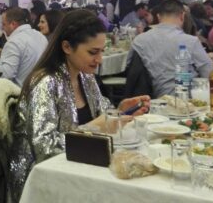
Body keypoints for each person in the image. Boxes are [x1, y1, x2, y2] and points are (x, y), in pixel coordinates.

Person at [8, 10, 150, 201]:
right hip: (43, 181)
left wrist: (121, 110)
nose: (99, 60)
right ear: (67, 47)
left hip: (79, 168)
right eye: (93, 52)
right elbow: (44, 149)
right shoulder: (45, 83)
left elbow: (102, 113)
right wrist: (94, 127)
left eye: (101, 51)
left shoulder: (85, 76)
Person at [127, 0, 213, 98]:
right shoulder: (191, 41)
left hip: (153, 100)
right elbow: (209, 73)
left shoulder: (139, 40)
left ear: (158, 17)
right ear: (182, 16)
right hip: (188, 101)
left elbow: (130, 68)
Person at [0, 7, 48, 86]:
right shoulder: (40, 35)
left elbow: (5, 75)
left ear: (13, 24)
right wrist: (0, 51)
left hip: (20, 92)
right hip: (39, 87)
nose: (2, 27)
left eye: (4, 24)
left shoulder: (14, 42)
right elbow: (24, 56)